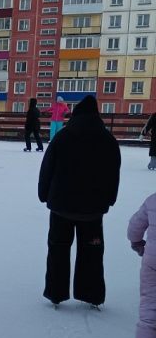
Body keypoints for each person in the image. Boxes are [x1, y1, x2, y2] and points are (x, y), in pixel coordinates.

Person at [39, 95, 121, 308]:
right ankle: (91, 294)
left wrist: (43, 193)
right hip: (93, 210)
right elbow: (113, 173)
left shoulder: (63, 137)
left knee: (58, 249)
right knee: (92, 252)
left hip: (60, 206)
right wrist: (109, 199)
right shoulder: (108, 140)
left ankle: (56, 293)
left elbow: (47, 167)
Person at [128, 192, 156, 338]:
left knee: (150, 300)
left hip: (152, 261)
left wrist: (136, 242)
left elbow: (135, 225)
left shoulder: (153, 200)